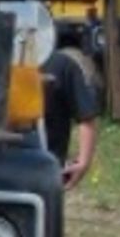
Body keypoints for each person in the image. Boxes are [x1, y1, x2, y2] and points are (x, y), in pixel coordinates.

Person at [41, 49, 99, 189]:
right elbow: (87, 117)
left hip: (46, 171)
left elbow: (86, 116)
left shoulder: (62, 65)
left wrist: (83, 162)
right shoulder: (63, 64)